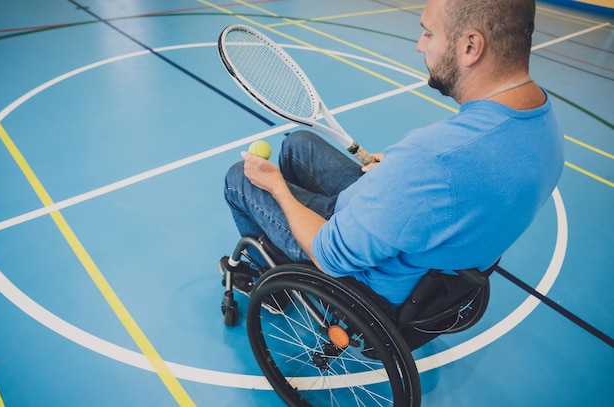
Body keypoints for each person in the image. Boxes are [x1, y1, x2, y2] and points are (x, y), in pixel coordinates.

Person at [222, 0, 564, 307]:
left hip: (368, 275)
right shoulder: (546, 124)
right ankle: (283, 249)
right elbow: (451, 179)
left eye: (429, 34)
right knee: (299, 143)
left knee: (241, 178)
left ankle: (275, 290)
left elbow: (329, 253)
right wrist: (399, 174)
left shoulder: (430, 159)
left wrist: (276, 186)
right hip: (421, 249)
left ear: (471, 46)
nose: (420, 45)